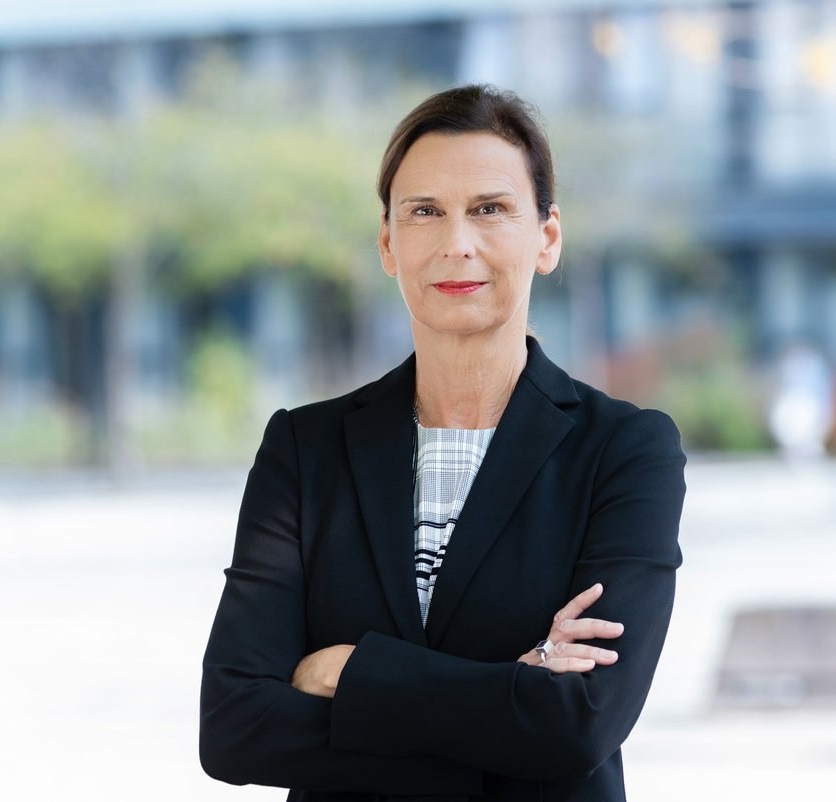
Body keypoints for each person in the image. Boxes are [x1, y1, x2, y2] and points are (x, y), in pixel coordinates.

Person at [199, 84, 686, 802]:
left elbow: (579, 723)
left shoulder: (624, 450)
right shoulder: (305, 449)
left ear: (546, 238)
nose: (457, 242)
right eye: (425, 212)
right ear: (390, 245)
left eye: (489, 210)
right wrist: (508, 703)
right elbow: (235, 726)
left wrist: (351, 674)